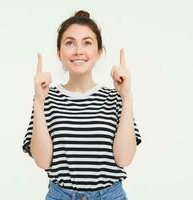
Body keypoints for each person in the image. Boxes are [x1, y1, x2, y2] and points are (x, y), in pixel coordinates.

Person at [22, 10, 142, 200]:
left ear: (99, 51)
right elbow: (43, 161)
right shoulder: (46, 98)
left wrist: (127, 97)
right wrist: (38, 102)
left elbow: (124, 159)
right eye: (70, 43)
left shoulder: (116, 98)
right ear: (59, 52)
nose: (78, 50)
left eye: (87, 43)